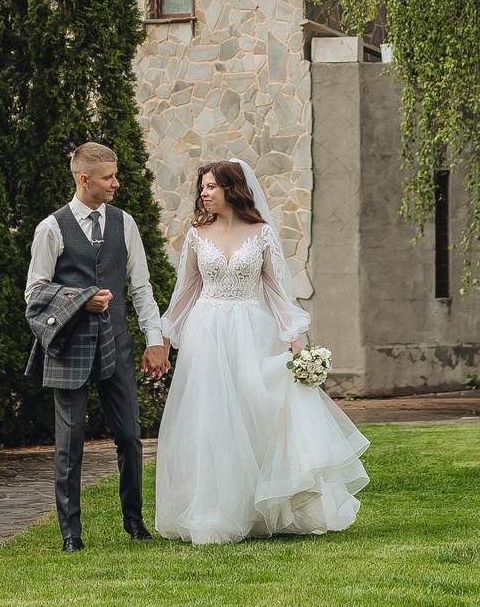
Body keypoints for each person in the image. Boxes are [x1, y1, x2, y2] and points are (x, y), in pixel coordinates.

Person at [154, 158, 370, 544]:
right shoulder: (195, 235)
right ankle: (213, 513)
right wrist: (165, 337)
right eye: (201, 187)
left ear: (231, 189)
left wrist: (298, 344)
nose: (203, 194)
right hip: (207, 333)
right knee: (210, 421)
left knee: (256, 416)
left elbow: (276, 291)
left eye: (210, 187)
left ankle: (259, 510)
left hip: (252, 331)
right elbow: (185, 290)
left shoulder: (262, 233)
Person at [23, 140, 170, 551]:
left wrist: (153, 341)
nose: (116, 184)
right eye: (109, 177)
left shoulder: (126, 223)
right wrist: (80, 299)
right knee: (68, 447)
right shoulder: (50, 228)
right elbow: (34, 292)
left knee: (129, 437)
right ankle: (71, 537)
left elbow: (141, 288)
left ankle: (136, 524)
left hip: (117, 344)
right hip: (69, 346)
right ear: (84, 179)